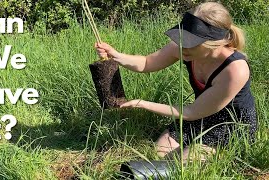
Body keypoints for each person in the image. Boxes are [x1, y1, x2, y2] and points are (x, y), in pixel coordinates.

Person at [95, 2, 257, 160]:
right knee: (158, 153)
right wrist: (115, 55)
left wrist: (142, 103)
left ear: (214, 43)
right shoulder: (185, 49)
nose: (182, 46)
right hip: (199, 116)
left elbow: (191, 111)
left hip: (231, 126)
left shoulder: (235, 70)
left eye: (191, 42)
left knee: (183, 163)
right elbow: (146, 63)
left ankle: (224, 155)